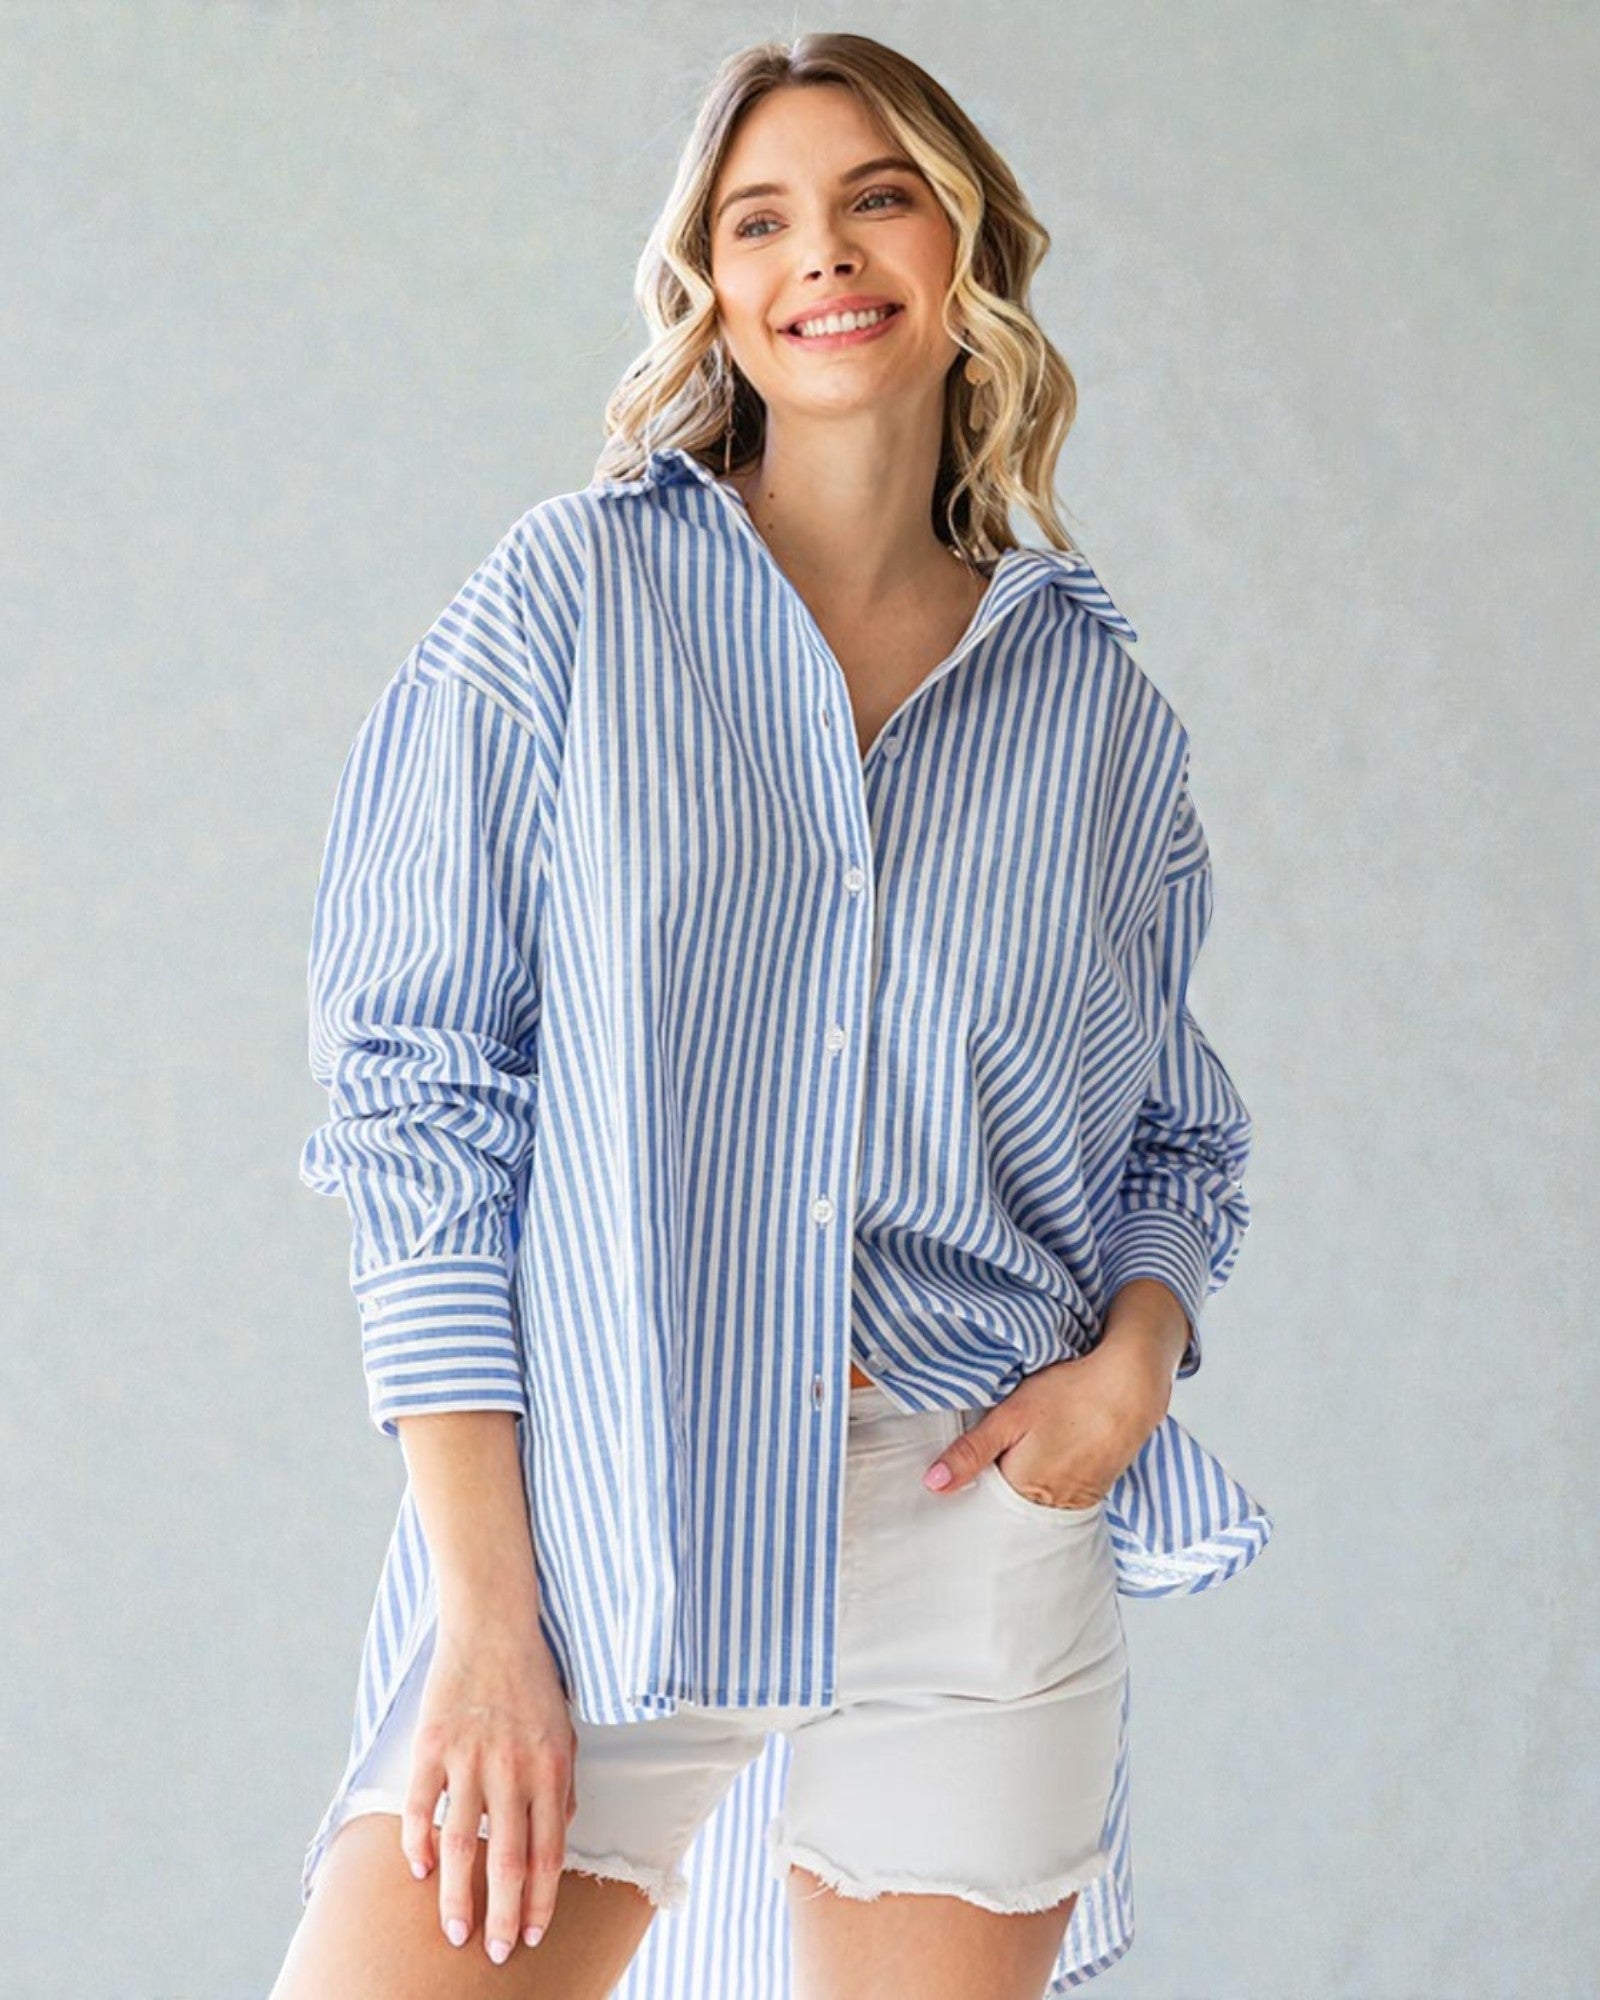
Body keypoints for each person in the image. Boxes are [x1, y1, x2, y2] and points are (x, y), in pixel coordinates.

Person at [268, 31, 1269, 2000]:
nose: (822, 251)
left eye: (872, 194)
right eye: (760, 218)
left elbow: (1171, 1131)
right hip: (614, 1521)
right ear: (712, 286)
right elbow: (412, 1094)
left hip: (977, 1545)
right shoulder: (567, 602)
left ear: (959, 241)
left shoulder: (1092, 713)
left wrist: (1133, 1359)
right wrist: (485, 1615)